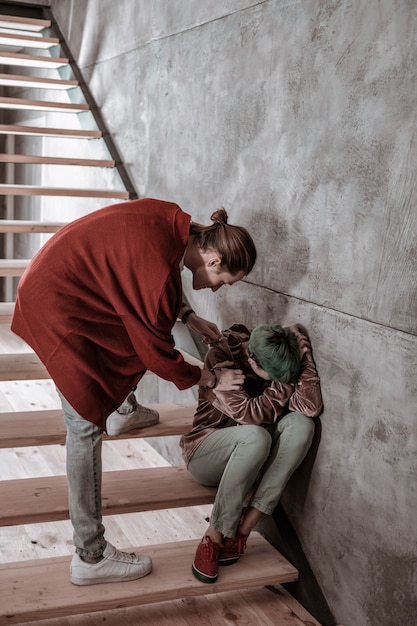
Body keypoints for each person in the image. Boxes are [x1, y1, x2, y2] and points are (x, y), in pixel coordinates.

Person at [11, 197, 256, 586]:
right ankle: (89, 556)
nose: (217, 290)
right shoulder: (161, 271)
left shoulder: (172, 222)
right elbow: (155, 351)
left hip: (62, 280)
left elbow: (134, 279)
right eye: (224, 282)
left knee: (135, 328)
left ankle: (123, 412)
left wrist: (189, 317)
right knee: (85, 424)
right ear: (213, 262)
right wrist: (210, 379)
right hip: (56, 302)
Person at [179, 322, 323, 583]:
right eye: (275, 377)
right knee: (255, 436)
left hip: (254, 455)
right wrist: (287, 382)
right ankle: (214, 535)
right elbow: (250, 415)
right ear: (253, 361)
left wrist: (305, 359)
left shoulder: (277, 350)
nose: (281, 382)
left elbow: (310, 407)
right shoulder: (221, 359)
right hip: (206, 451)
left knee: (302, 424)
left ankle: (244, 529)